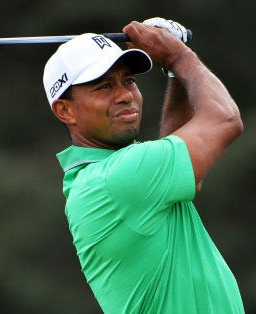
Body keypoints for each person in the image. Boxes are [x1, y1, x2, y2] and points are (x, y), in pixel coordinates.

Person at [42, 17, 244, 313]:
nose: (125, 96)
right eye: (104, 87)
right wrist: (178, 56)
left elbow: (190, 169)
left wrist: (175, 74)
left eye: (129, 81)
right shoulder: (115, 179)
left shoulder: (109, 177)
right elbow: (225, 120)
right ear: (65, 110)